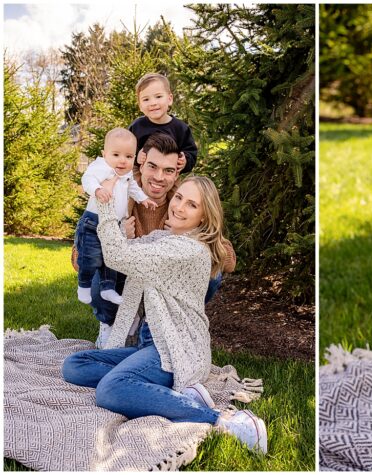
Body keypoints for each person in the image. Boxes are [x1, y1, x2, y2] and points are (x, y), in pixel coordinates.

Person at [62, 175, 268, 454]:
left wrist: (106, 205)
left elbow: (118, 257)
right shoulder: (169, 239)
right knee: (75, 365)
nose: (180, 207)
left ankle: (224, 420)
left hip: (176, 347)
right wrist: (124, 233)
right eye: (180, 197)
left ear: (205, 216)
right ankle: (168, 390)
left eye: (192, 205)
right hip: (153, 342)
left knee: (110, 390)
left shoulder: (186, 249)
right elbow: (131, 250)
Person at [73, 133, 236, 347]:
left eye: (168, 170)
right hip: (126, 275)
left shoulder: (183, 201)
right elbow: (78, 258)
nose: (159, 177)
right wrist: (120, 236)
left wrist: (183, 237)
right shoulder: (117, 187)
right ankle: (111, 323)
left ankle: (168, 326)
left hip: (164, 285)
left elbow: (227, 258)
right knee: (99, 270)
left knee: (211, 271)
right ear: (140, 163)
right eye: (152, 167)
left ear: (177, 173)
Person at [75, 128, 157, 305]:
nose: (122, 161)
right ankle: (84, 285)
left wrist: (143, 199)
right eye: (116, 154)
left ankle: (108, 288)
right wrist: (98, 189)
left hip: (115, 223)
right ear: (105, 154)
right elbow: (88, 179)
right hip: (94, 221)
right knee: (91, 256)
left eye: (128, 157)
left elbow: (132, 187)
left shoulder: (126, 173)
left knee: (111, 257)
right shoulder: (101, 167)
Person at [130, 72, 199, 174]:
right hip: (141, 175)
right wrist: (136, 157)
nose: (153, 103)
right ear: (140, 106)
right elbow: (126, 151)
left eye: (158, 97)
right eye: (146, 99)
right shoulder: (137, 126)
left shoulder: (180, 128)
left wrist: (185, 161)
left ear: (170, 99)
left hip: (168, 175)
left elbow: (191, 152)